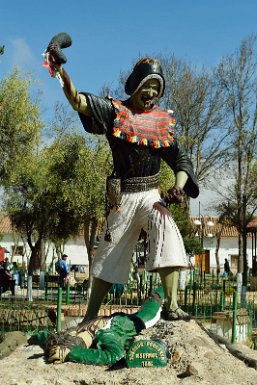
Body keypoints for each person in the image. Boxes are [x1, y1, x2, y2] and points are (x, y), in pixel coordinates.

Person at [45, 34, 199, 323]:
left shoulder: (162, 123)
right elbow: (78, 101)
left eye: (157, 87)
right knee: (109, 253)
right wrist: (61, 71)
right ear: (136, 85)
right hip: (123, 198)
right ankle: (90, 317)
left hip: (152, 195)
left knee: (165, 227)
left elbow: (180, 159)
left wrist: (178, 187)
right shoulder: (115, 111)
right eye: (148, 85)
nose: (152, 92)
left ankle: (172, 305)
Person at [29, 287, 166, 366]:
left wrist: (71, 353)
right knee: (146, 314)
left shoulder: (104, 335)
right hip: (109, 322)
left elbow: (114, 356)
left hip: (120, 322)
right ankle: (160, 291)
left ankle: (162, 290)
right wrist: (31, 338)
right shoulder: (77, 332)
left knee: (150, 314)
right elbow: (46, 336)